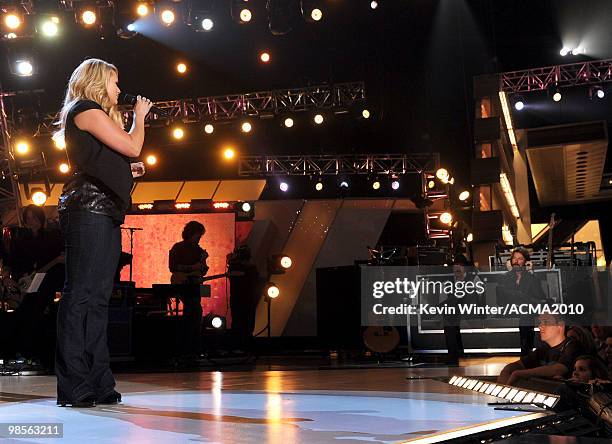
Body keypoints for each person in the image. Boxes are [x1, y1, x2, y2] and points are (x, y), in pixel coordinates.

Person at [53, 58, 152, 408]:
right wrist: (139, 118)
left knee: (97, 298)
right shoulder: (84, 108)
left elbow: (117, 157)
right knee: (81, 295)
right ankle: (74, 384)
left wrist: (128, 170)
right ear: (97, 81)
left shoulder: (95, 115)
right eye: (114, 81)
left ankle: (98, 382)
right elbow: (132, 146)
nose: (119, 89)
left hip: (104, 209)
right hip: (87, 208)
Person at [2, 205, 64, 364]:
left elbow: (59, 259)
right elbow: (11, 260)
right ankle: (22, 352)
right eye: (28, 218)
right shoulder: (20, 239)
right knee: (23, 316)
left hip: (45, 283)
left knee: (38, 315)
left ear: (40, 219)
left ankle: (34, 353)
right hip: (24, 282)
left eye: (34, 218)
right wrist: (7, 277)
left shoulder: (52, 237)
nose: (31, 221)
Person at [498, 312, 584, 386]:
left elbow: (559, 369)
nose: (540, 326)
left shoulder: (573, 346)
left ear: (560, 326)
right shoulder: (543, 349)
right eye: (540, 322)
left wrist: (519, 374)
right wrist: (508, 371)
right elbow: (513, 367)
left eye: (546, 322)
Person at [168, 221, 209, 358]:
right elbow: (173, 267)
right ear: (191, 233)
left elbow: (202, 272)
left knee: (195, 312)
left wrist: (203, 263)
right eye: (198, 235)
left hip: (194, 284)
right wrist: (193, 267)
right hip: (183, 283)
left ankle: (193, 347)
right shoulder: (178, 247)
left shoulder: (199, 251)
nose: (199, 239)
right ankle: (189, 347)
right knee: (193, 310)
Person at [498, 247, 546, 355]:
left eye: (520, 259)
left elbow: (539, 296)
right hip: (510, 308)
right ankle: (526, 353)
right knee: (526, 313)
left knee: (526, 314)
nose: (516, 261)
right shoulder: (505, 277)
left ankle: (526, 352)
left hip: (526, 310)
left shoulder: (531, 277)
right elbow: (505, 296)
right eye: (514, 258)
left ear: (526, 262)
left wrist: (531, 274)